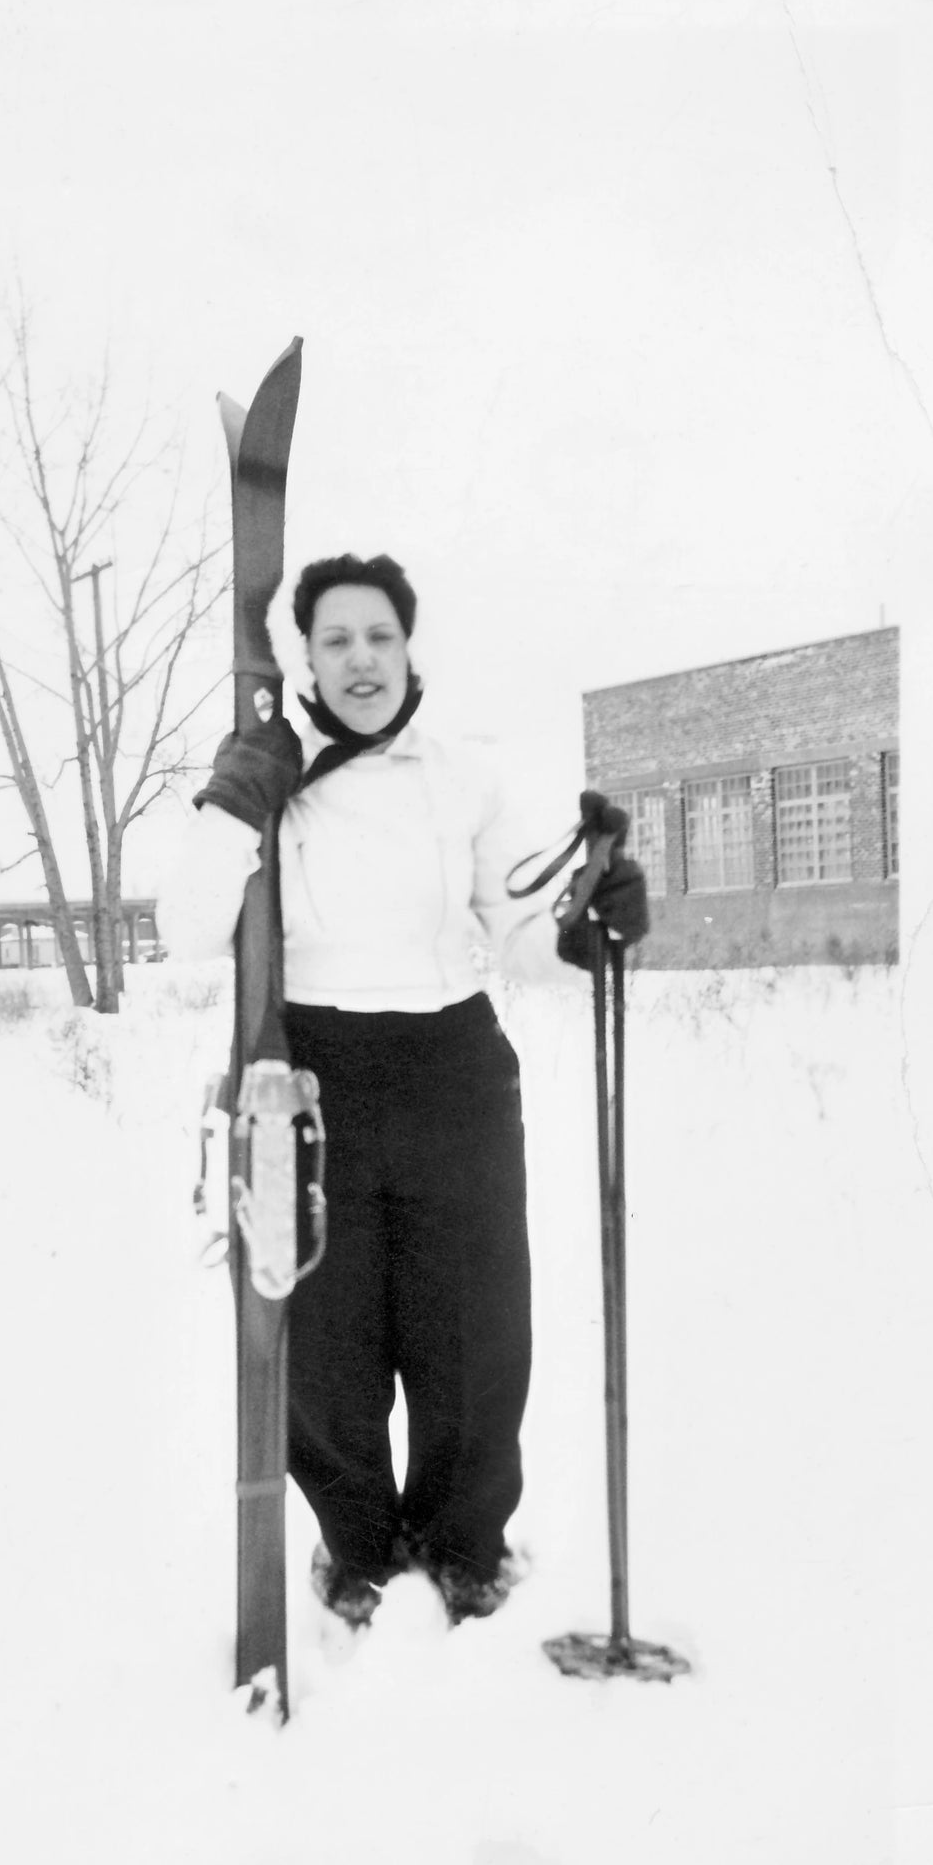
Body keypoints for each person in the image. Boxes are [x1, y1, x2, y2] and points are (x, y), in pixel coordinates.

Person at [159, 554, 646, 1628]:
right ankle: (359, 1549)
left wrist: (589, 926)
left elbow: (522, 934)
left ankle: (465, 1547)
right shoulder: (271, 774)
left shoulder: (459, 774)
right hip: (315, 1078)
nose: (361, 658)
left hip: (450, 1068)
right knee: (327, 1343)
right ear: (305, 659)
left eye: (378, 634)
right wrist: (237, 796)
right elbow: (185, 924)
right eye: (335, 640)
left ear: (407, 644)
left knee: (471, 1330)